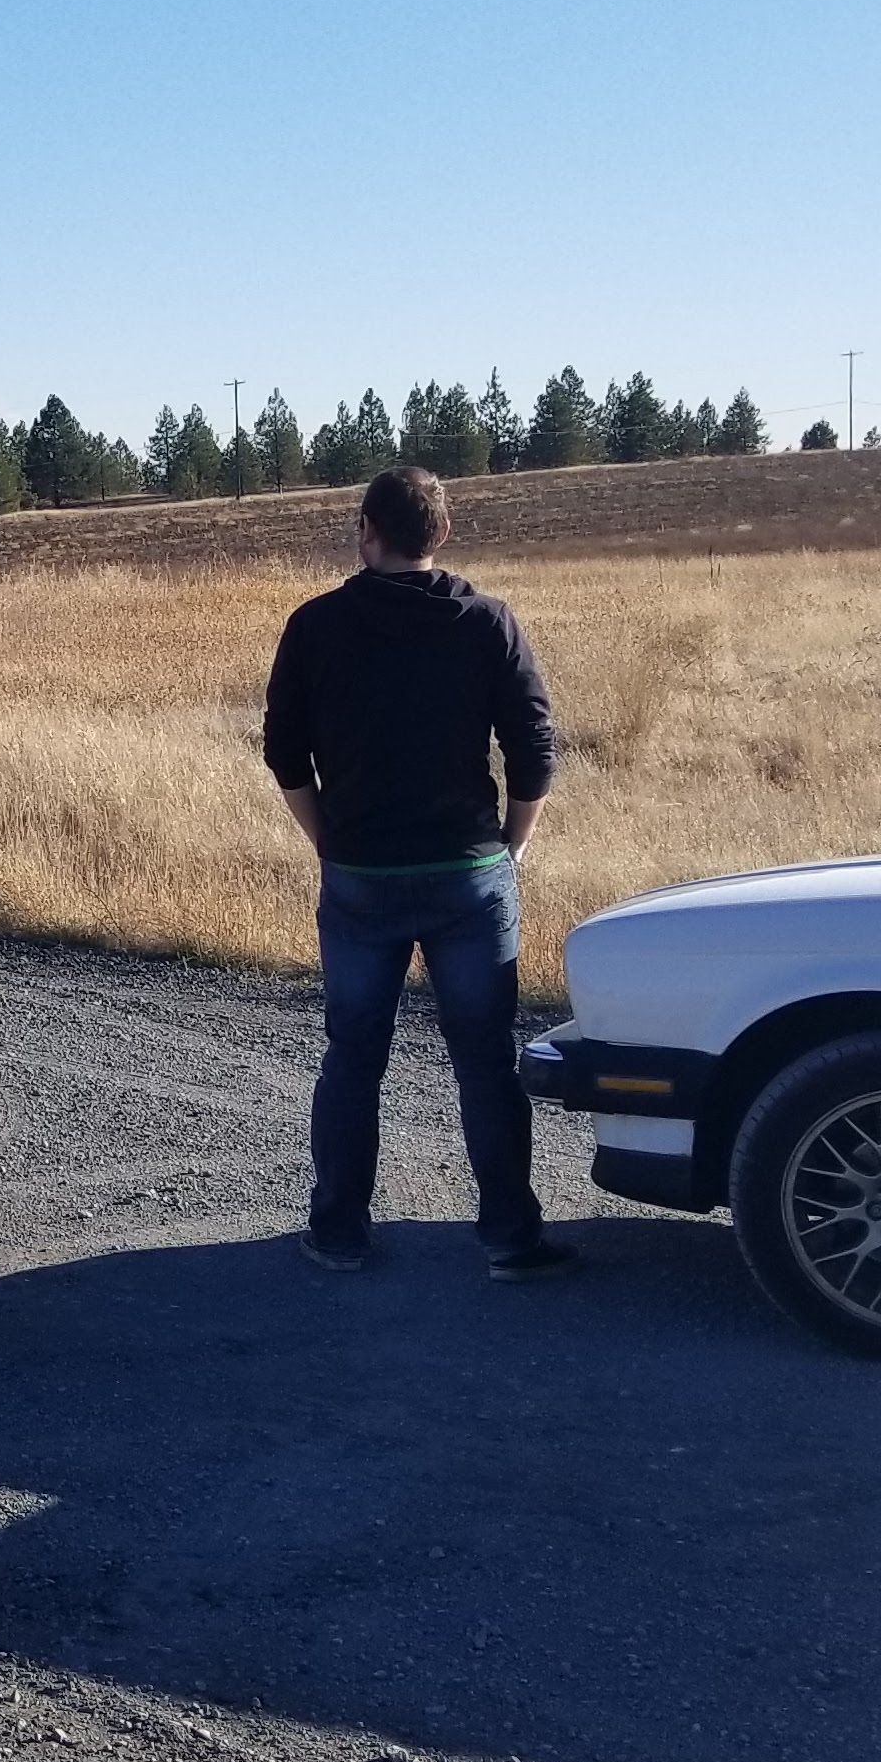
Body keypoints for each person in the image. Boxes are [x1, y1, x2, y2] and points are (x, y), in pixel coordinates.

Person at [261, 466, 577, 1280]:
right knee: (483, 1062)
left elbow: (283, 751)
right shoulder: (488, 622)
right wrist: (512, 846)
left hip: (362, 875)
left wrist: (325, 838)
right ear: (441, 532)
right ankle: (508, 1236)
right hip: (469, 875)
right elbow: (535, 749)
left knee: (353, 1057)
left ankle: (338, 1233)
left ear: (369, 529)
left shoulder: (316, 625)